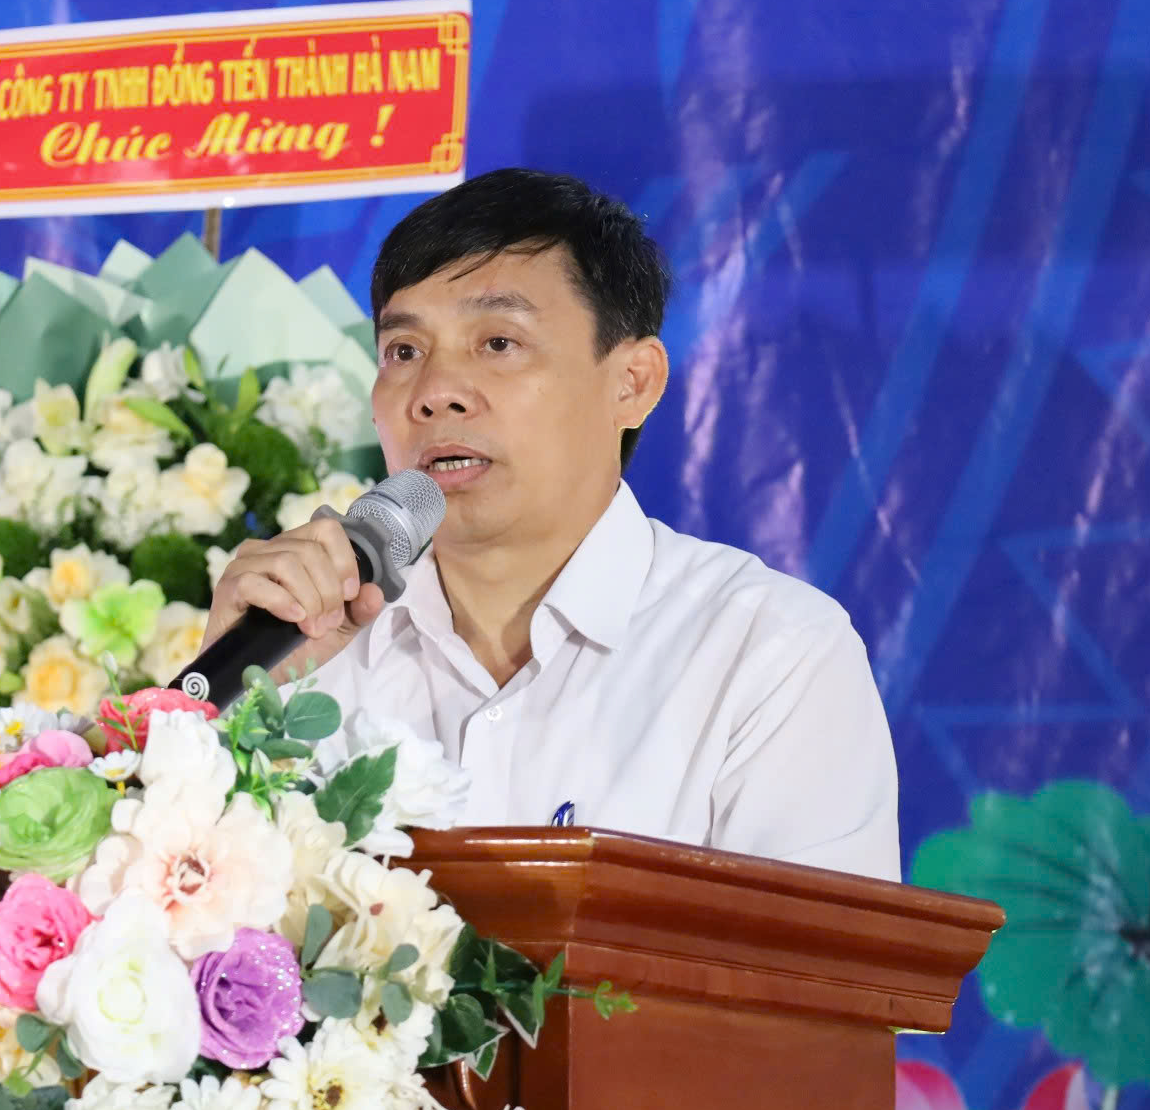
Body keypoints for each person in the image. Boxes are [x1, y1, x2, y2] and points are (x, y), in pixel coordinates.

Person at [202, 168, 900, 880]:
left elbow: (816, 953)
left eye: (498, 343)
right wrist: (223, 708)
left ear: (632, 383)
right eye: (404, 351)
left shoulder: (768, 655)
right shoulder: (309, 644)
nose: (435, 393)